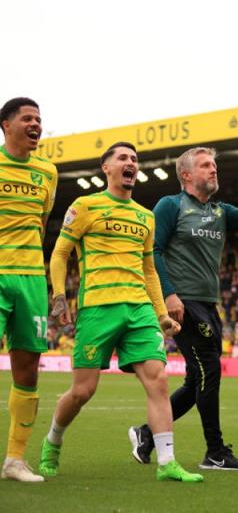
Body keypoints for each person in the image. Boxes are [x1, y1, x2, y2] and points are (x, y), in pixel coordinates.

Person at [39, 142, 202, 482]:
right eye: (123, 158)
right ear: (106, 168)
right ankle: (53, 440)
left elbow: (149, 271)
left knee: (158, 379)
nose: (131, 163)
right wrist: (58, 296)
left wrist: (160, 313)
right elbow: (60, 253)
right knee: (83, 391)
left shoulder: (145, 216)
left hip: (139, 310)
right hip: (98, 310)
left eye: (135, 159)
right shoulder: (85, 206)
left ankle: (167, 462)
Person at [127, 147, 238, 470]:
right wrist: (170, 296)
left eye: (214, 165)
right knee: (209, 372)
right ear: (186, 175)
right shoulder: (171, 206)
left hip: (209, 304)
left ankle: (146, 433)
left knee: (196, 379)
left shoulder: (220, 210)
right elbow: (154, 251)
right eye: (205, 166)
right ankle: (214, 451)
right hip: (183, 302)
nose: (213, 170)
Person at [0, 98, 57, 482]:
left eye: (39, 119)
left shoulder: (48, 172)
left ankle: (14, 461)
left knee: (28, 369)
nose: (35, 124)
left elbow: (42, 221)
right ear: (6, 125)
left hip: (32, 279)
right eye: (27, 118)